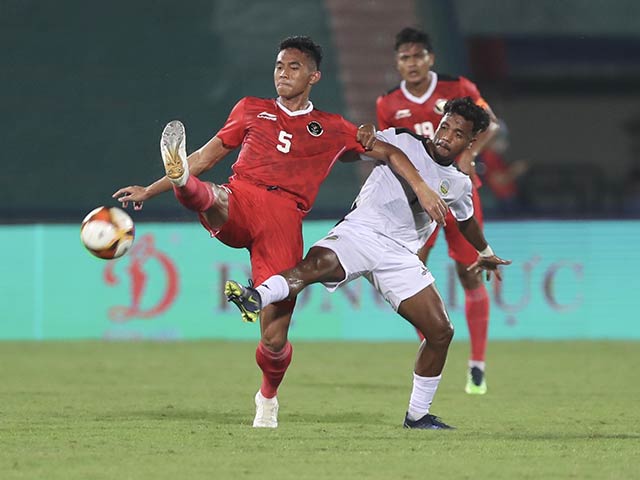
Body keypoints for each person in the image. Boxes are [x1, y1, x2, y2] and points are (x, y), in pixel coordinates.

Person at [112, 36, 448, 428]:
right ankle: (183, 182)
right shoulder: (251, 110)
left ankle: (267, 396)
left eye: (293, 67)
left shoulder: (334, 128)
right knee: (210, 195)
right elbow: (206, 156)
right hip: (244, 197)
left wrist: (410, 175)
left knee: (273, 339)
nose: (283, 74)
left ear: (314, 75)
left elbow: (387, 150)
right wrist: (152, 190)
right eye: (278, 66)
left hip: (285, 220)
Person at [225, 97, 511, 429]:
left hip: (401, 255)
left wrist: (484, 251)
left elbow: (466, 222)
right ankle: (254, 297)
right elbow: (354, 144)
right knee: (313, 267)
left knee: (441, 331)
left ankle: (417, 416)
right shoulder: (400, 139)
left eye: (458, 133)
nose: (446, 136)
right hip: (361, 232)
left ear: (471, 141)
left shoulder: (459, 184)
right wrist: (364, 131)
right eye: (444, 126)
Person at [376, 27, 500, 394]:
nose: (411, 64)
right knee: (410, 272)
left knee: (469, 274)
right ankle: (432, 343)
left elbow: (489, 122)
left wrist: (469, 155)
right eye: (404, 58)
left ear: (430, 58)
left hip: (460, 194)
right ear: (397, 63)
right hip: (419, 201)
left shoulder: (457, 87)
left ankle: (477, 365)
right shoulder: (388, 104)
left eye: (417, 56)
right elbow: (389, 150)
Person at [476, 120, 529, 216]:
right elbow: (498, 181)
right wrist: (516, 170)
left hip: (508, 201)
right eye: (500, 138)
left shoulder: (495, 156)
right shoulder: (488, 156)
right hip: (500, 204)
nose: (504, 143)